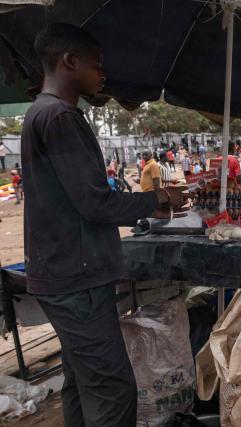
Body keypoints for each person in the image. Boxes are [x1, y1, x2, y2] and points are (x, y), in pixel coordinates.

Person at [22, 23, 187, 427]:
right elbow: (95, 202)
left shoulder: (41, 113)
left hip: (58, 272)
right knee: (114, 391)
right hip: (76, 279)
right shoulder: (60, 117)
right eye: (97, 66)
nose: (102, 75)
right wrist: (158, 199)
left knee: (80, 380)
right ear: (70, 62)